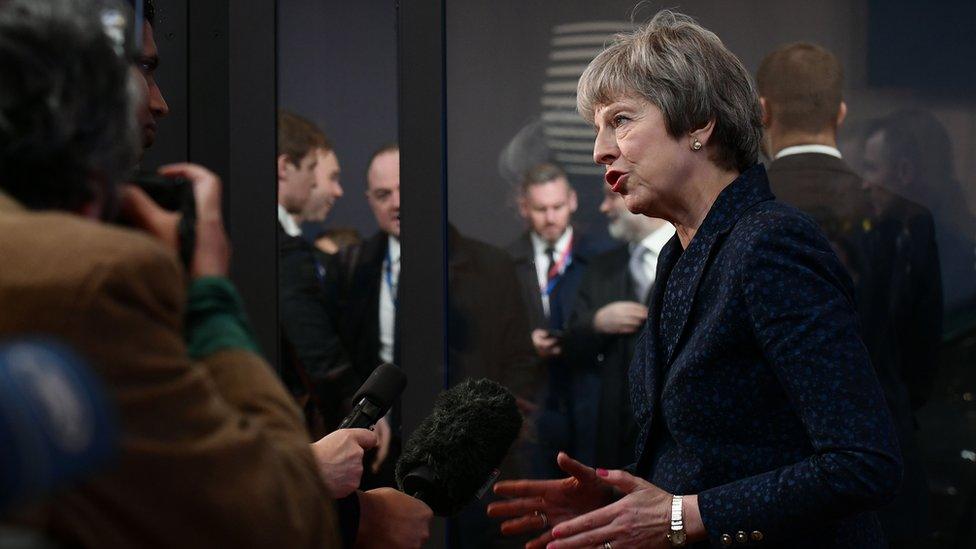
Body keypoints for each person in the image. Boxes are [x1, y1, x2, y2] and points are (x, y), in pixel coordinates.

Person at [0, 1, 431, 547]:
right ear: (84, 90)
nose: (161, 103)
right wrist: (209, 294)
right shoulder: (98, 274)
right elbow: (260, 511)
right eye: (147, 69)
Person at [488, 10, 901, 548]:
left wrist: (680, 515)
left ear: (699, 123)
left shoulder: (770, 243)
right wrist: (622, 507)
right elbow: (713, 457)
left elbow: (863, 463)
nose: (599, 150)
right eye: (598, 128)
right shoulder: (682, 254)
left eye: (620, 120)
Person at [757, 42, 942, 547]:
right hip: (886, 471)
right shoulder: (907, 221)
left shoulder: (729, 213)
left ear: (763, 111)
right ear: (840, 112)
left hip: (761, 483)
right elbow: (921, 366)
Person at [562, 188, 673, 469]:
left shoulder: (695, 255)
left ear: (642, 196)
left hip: (675, 442)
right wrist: (597, 322)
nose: (603, 207)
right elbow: (570, 341)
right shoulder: (601, 267)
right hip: (613, 437)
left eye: (611, 197)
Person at [506, 163, 599, 478]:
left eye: (557, 207)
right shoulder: (505, 262)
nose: (550, 218)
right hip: (533, 403)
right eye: (540, 209)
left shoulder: (602, 256)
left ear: (572, 200)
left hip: (589, 400)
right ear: (523, 208)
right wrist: (525, 341)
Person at [276, 110, 360, 432]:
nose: (314, 182)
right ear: (285, 167)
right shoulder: (282, 248)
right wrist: (355, 404)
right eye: (312, 168)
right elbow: (314, 346)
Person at [863, 109, 976, 319]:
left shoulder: (951, 259)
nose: (865, 184)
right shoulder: (883, 242)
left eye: (871, 168)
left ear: (905, 172)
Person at [335, 143, 402, 487]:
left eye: (402, 189)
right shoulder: (349, 266)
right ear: (369, 200)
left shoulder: (485, 265)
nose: (396, 203)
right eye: (383, 194)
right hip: (376, 444)